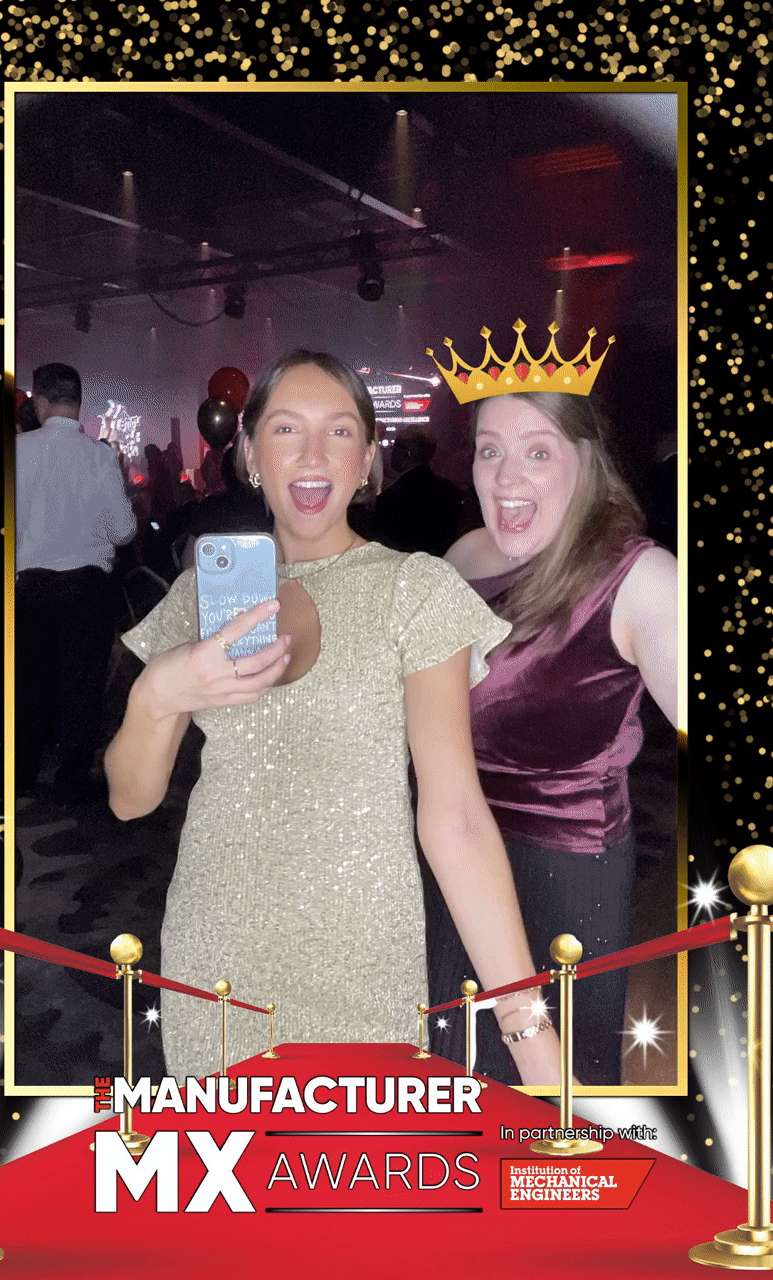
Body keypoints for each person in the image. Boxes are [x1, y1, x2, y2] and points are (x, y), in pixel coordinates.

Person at [104, 350, 563, 1085]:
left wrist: (528, 1031)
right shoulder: (200, 596)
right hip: (215, 954)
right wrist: (159, 690)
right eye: (287, 429)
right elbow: (131, 801)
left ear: (368, 458)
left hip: (364, 961)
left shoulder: (414, 590)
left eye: (340, 431)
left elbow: (456, 820)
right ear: (249, 454)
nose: (314, 455)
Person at [431, 389, 677, 1085]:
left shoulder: (638, 579)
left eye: (538, 452)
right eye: (490, 451)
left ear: (586, 460)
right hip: (450, 859)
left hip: (563, 879)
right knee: (455, 1080)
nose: (507, 477)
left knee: (549, 1100)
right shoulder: (464, 558)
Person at [16, 362, 137, 804]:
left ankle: (23, 772)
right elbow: (123, 531)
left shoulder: (17, 451)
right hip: (87, 586)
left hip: (29, 586)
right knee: (82, 686)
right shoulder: (100, 456)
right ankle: (71, 778)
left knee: (29, 682)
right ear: (78, 403)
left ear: (41, 402)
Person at [373, 427, 462, 557]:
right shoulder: (450, 490)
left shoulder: (393, 496)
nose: (392, 452)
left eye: (395, 447)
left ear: (406, 454)